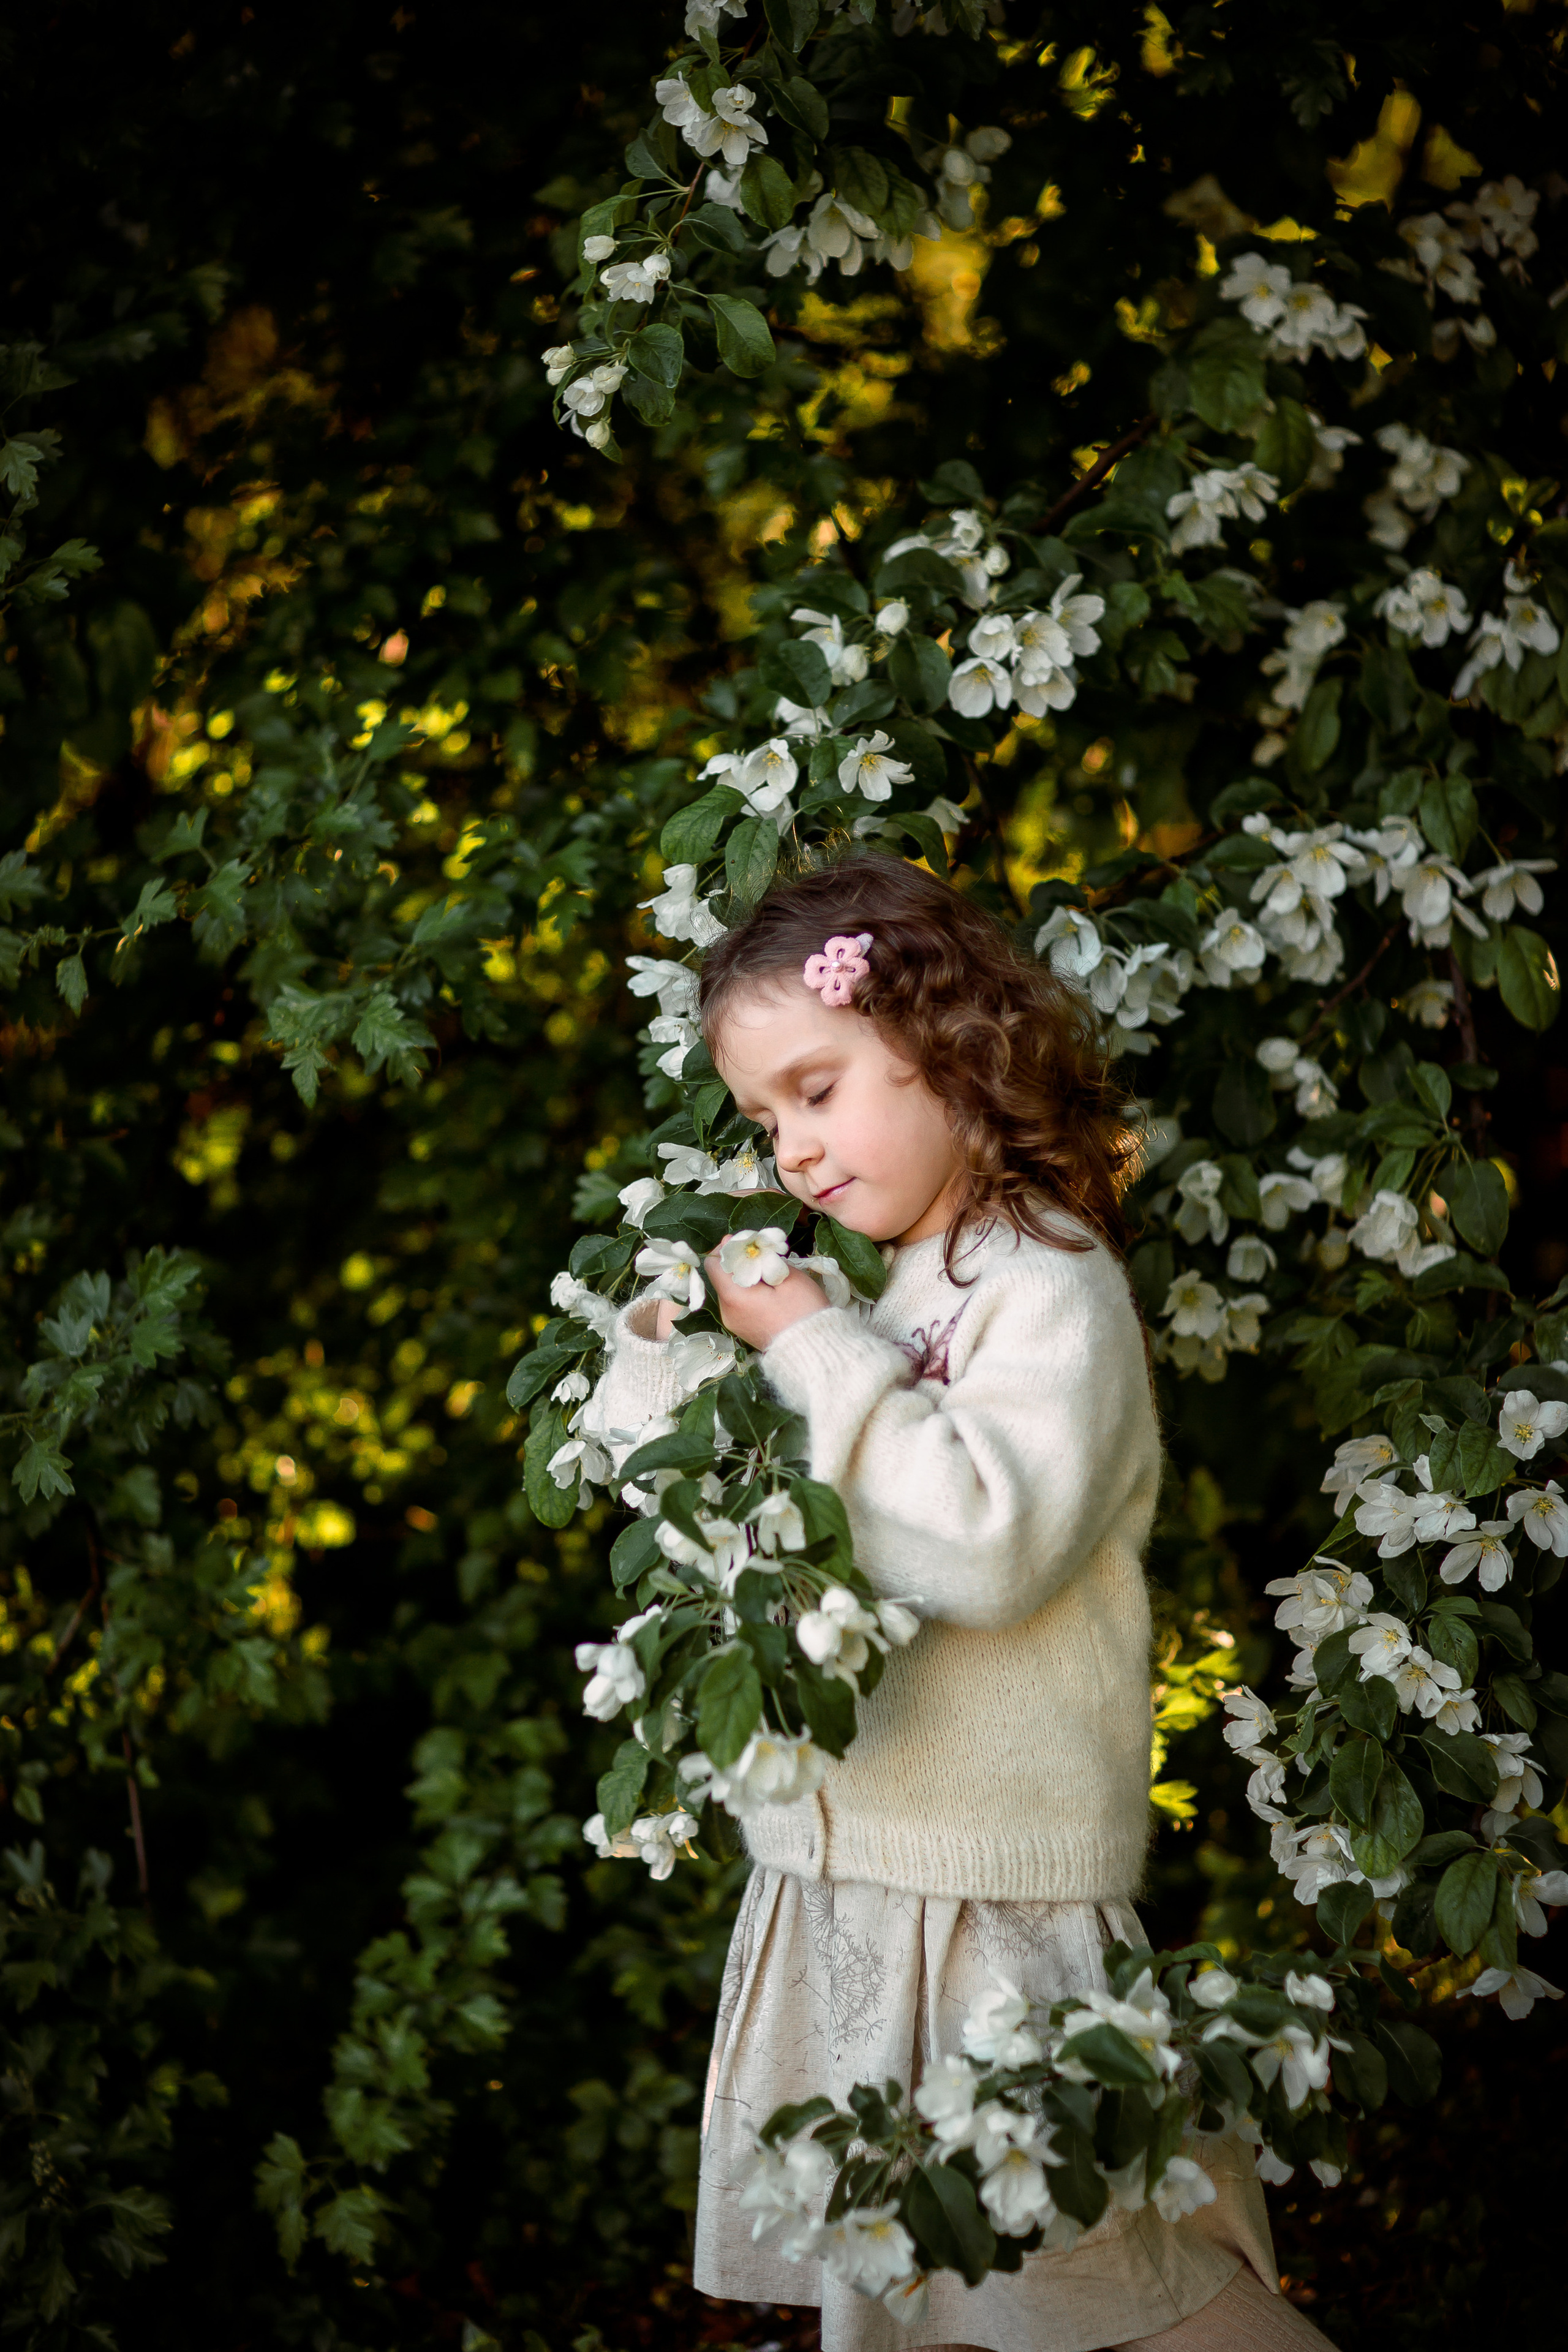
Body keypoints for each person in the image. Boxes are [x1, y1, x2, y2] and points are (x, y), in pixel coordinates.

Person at [594, 856, 1333, 2352]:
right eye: (761, 1121)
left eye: (815, 1090)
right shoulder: (895, 1293)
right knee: (920, 2307)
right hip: (856, 1877)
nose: (791, 1152)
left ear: (947, 1049)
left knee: (1104, 2296)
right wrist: (662, 1355)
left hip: (986, 1902)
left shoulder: (1041, 1286)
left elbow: (985, 1543)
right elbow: (763, 1519)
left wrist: (807, 1350)